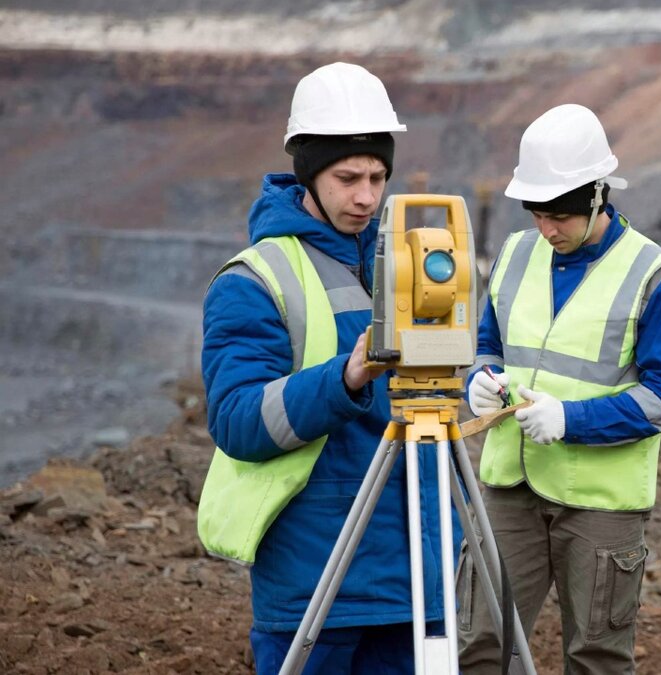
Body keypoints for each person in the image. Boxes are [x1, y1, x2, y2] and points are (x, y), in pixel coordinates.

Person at [196, 62, 459, 674]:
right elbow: (237, 421)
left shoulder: (410, 266)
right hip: (318, 580)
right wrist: (346, 378)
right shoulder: (254, 280)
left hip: (418, 577)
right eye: (347, 177)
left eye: (377, 176)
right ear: (308, 173)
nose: (366, 196)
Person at [456, 103, 661, 673]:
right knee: (481, 644)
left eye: (559, 214)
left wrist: (573, 420)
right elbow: (488, 344)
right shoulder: (516, 255)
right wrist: (479, 383)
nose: (546, 228)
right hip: (509, 486)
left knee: (596, 658)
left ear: (598, 195)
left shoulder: (656, 276)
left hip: (600, 503)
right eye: (536, 211)